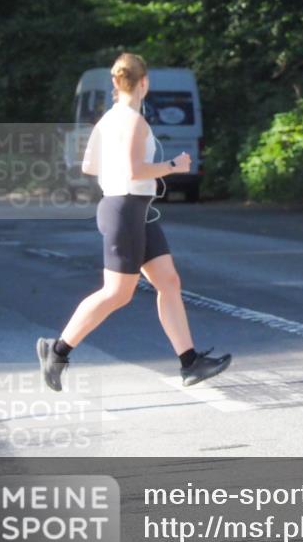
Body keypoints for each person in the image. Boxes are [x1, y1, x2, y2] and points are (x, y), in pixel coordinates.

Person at [36, 53, 231, 392]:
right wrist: (174, 164)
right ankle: (57, 351)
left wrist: (124, 174)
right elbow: (135, 170)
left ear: (115, 82)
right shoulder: (135, 121)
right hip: (125, 210)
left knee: (168, 281)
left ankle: (190, 362)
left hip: (133, 209)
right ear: (145, 83)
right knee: (116, 293)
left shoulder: (107, 120)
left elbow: (88, 166)